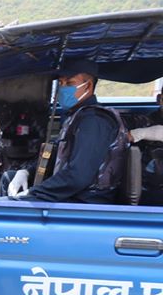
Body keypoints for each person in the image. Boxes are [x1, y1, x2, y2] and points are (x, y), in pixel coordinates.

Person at [8, 59, 127, 203]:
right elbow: (55, 153)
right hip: (71, 195)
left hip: (86, 202)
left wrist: (34, 193)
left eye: (69, 83)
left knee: (3, 204)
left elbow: (78, 176)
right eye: (60, 83)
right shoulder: (76, 116)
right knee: (9, 179)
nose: (63, 88)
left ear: (88, 86)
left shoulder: (94, 121)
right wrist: (26, 172)